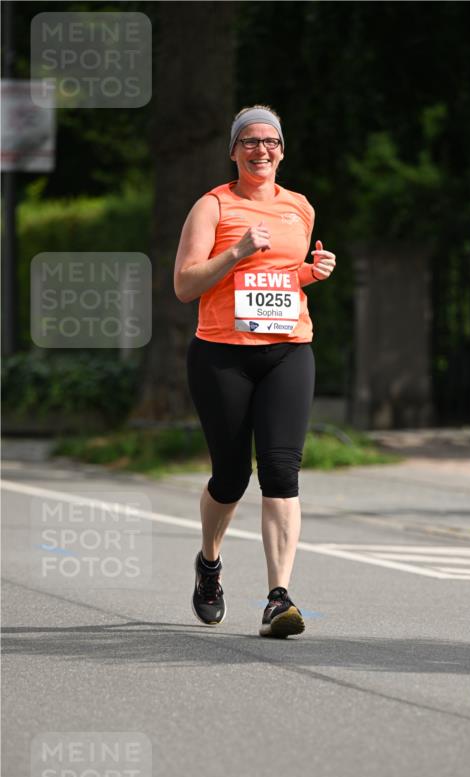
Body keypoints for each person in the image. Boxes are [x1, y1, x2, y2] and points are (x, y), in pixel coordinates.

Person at [174, 105, 336, 637]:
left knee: (282, 471)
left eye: (270, 141)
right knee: (230, 477)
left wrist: (309, 274)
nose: (260, 149)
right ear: (234, 151)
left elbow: (279, 283)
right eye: (249, 141)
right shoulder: (213, 206)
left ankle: (278, 598)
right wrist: (237, 251)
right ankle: (209, 565)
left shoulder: (300, 208)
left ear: (282, 151)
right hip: (222, 354)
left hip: (289, 350)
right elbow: (186, 285)